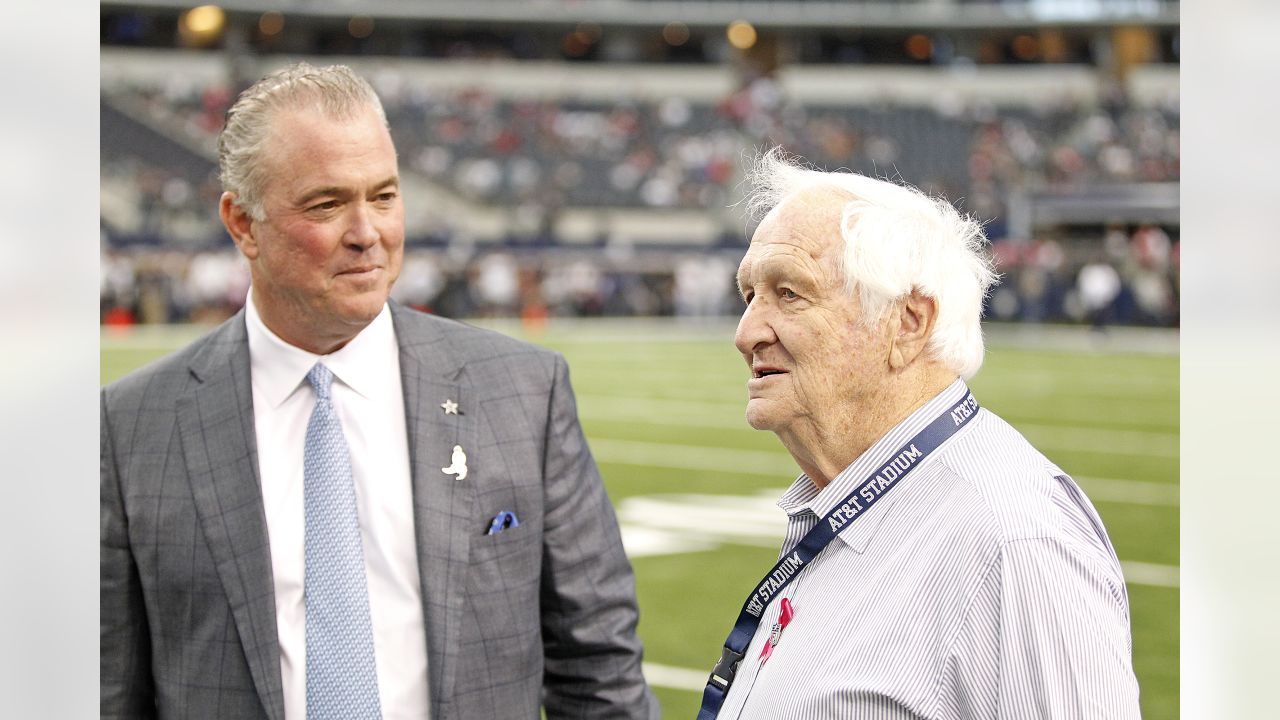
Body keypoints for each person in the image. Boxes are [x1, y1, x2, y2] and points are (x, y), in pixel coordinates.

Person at [101, 63, 655, 720]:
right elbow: (107, 691)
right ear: (243, 224)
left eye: (385, 196)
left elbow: (598, 671)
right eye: (328, 204)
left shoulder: (524, 394)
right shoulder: (131, 426)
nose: (368, 232)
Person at [697, 149, 1141, 719]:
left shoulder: (1013, 541)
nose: (747, 332)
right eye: (749, 295)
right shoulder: (858, 495)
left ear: (907, 324)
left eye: (789, 294)